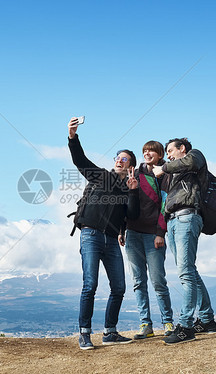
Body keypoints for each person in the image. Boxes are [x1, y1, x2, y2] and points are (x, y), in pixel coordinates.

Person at [67, 117, 140, 350]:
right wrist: (72, 136)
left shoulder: (128, 188)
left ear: (131, 166)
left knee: (119, 287)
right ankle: (85, 334)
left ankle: (110, 332)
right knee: (90, 285)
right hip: (90, 235)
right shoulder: (102, 176)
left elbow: (133, 214)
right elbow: (80, 160)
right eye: (117, 158)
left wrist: (133, 193)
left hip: (111, 240)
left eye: (124, 159)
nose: (119, 160)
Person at [153, 137, 216, 345]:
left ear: (182, 148)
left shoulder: (195, 156)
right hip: (174, 221)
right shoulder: (175, 174)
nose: (169, 155)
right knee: (190, 271)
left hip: (187, 217)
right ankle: (207, 321)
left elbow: (189, 162)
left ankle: (186, 326)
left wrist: (164, 167)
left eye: (171, 151)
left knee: (186, 273)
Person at [119, 141, 174, 339]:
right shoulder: (135, 172)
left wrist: (161, 232)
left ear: (160, 155)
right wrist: (121, 229)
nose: (147, 153)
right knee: (138, 282)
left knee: (158, 281)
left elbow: (165, 206)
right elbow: (125, 205)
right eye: (145, 150)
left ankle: (168, 322)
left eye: (151, 150)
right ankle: (146, 324)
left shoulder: (164, 176)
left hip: (153, 235)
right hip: (132, 234)